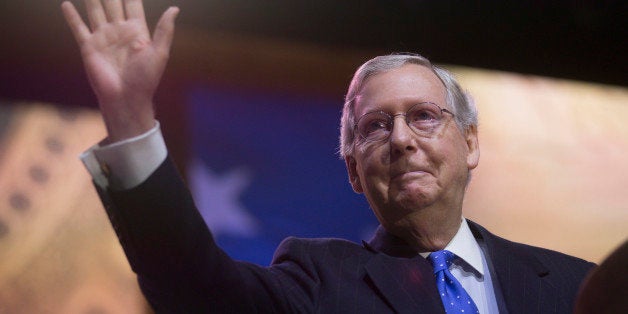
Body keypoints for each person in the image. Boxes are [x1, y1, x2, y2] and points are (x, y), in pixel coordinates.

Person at [62, 0, 595, 313]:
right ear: (353, 171)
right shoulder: (320, 281)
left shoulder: (582, 289)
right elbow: (194, 286)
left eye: (425, 116)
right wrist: (131, 118)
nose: (402, 140)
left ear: (471, 143)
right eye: (375, 127)